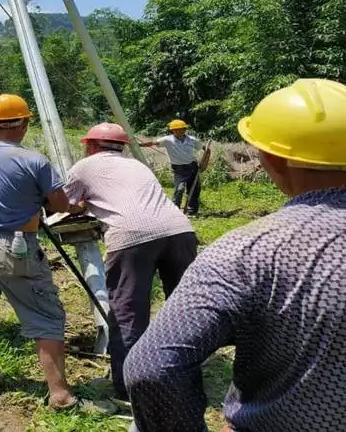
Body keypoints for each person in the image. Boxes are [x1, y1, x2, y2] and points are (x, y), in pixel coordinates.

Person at [124, 78, 346, 432]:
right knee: (183, 190)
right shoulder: (170, 141)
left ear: (270, 158)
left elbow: (152, 366)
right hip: (181, 172)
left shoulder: (247, 252)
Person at [0, 94, 86, 409]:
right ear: (25, 123)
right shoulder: (35, 161)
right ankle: (60, 394)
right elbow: (59, 206)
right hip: (14, 246)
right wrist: (70, 204)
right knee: (46, 317)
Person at [64, 122, 197, 403]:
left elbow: (66, 204)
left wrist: (85, 204)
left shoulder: (83, 167)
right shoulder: (137, 165)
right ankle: (186, 372)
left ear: (90, 145)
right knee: (184, 307)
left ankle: (129, 386)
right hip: (179, 231)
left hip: (132, 238)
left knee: (128, 313)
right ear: (122, 146)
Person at [141, 119, 205, 214]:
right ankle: (175, 211)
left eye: (181, 129)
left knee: (194, 189)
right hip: (179, 169)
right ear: (173, 131)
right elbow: (153, 143)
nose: (178, 131)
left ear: (184, 129)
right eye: (176, 129)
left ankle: (192, 211)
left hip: (192, 167)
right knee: (179, 189)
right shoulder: (167, 140)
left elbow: (204, 148)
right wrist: (139, 145)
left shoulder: (192, 140)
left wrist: (205, 161)